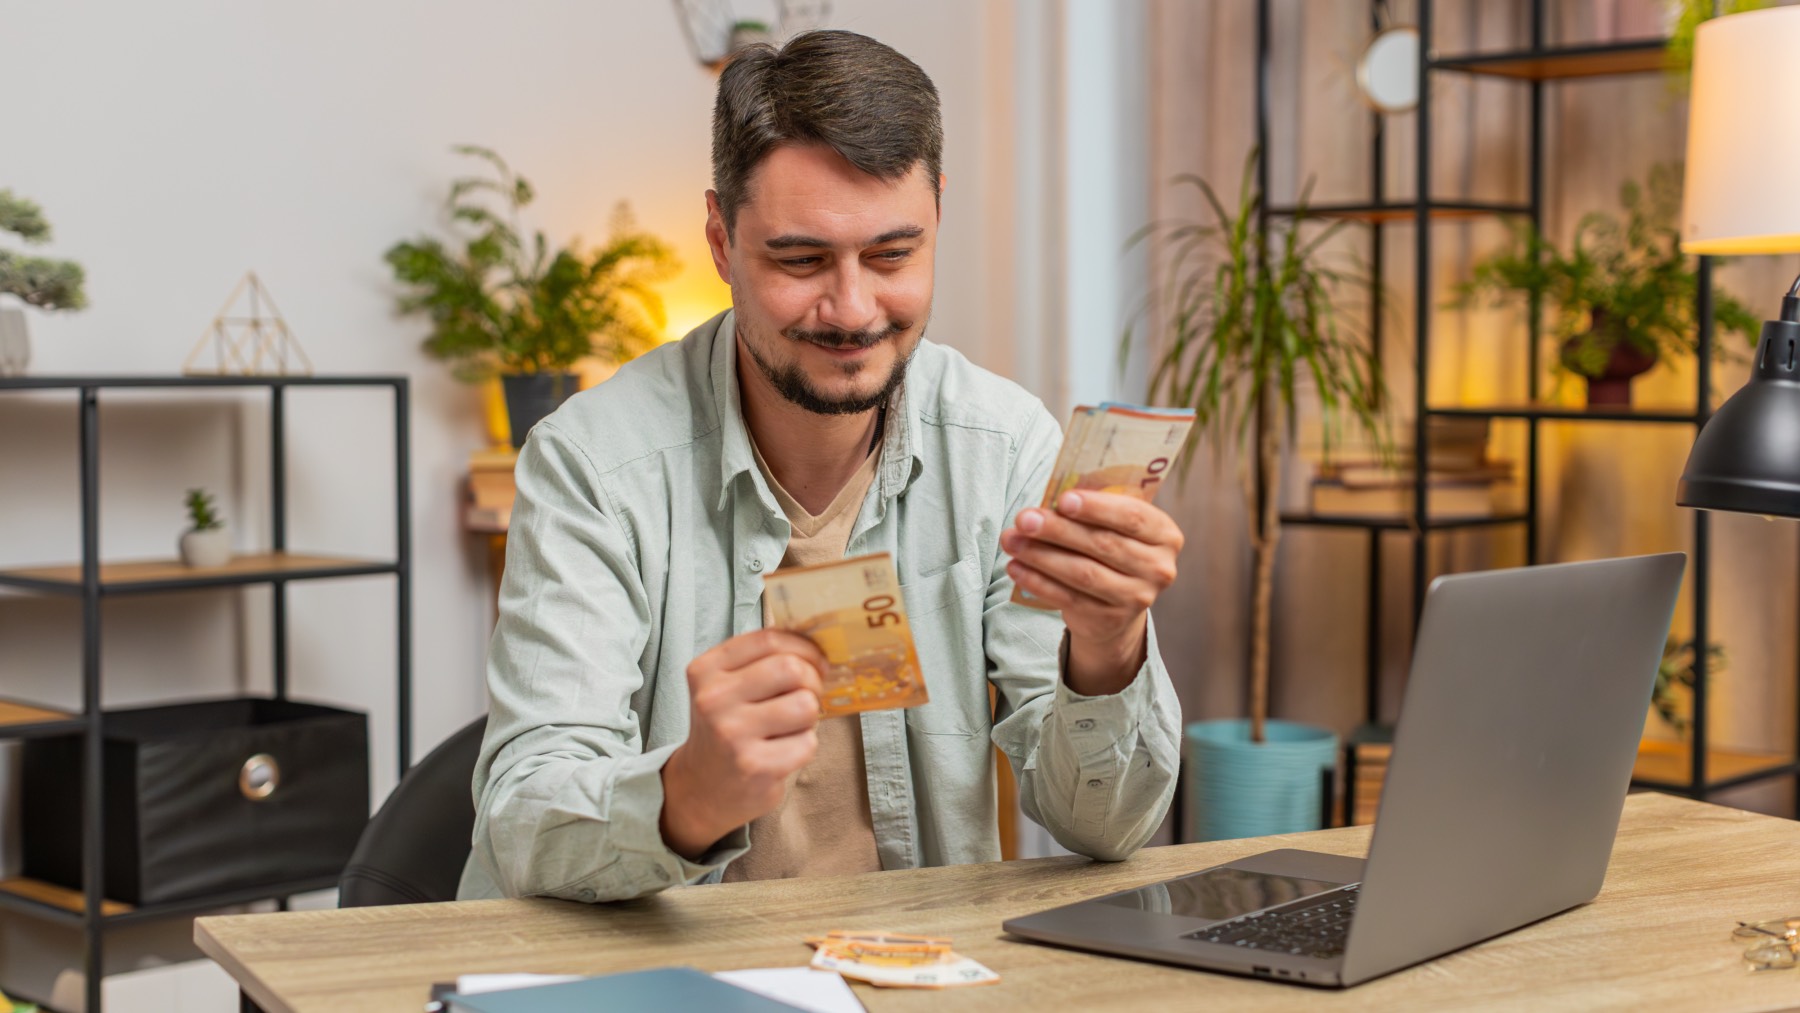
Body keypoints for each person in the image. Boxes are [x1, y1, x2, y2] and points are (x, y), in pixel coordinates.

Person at [459, 29, 1185, 903]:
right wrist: (686, 796)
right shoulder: (593, 466)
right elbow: (522, 816)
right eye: (800, 260)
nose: (851, 308)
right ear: (722, 243)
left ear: (937, 220)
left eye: (891, 255)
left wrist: (1106, 650)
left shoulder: (1002, 446)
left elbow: (1107, 828)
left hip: (910, 971)